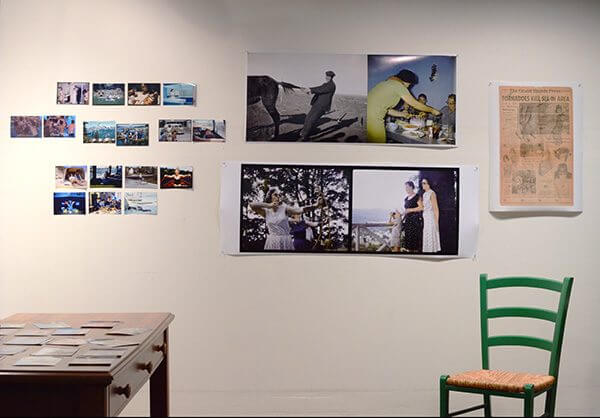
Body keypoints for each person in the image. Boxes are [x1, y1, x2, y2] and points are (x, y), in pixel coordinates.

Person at [367, 69, 441, 143]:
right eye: (410, 84)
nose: (408, 87)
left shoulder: (385, 83)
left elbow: (386, 109)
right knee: (380, 146)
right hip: (374, 119)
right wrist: (432, 110)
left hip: (366, 116)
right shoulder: (399, 85)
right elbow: (414, 103)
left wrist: (402, 114)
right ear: (407, 82)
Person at [249, 188, 323, 251]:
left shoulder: (284, 208)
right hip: (272, 241)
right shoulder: (266, 211)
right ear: (270, 197)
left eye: (279, 195)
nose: (278, 197)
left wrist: (315, 205)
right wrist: (269, 205)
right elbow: (252, 205)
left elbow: (299, 210)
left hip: (285, 240)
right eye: (275, 195)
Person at [300, 70, 337, 141]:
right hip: (316, 104)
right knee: (308, 118)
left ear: (331, 77)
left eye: (329, 76)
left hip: (322, 106)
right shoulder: (325, 84)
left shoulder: (331, 85)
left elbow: (320, 90)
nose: (327, 77)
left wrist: (310, 89)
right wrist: (308, 90)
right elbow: (318, 89)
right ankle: (303, 132)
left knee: (311, 120)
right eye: (326, 76)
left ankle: (304, 136)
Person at [401, 181, 423, 252]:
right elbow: (406, 210)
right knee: (409, 243)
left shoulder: (417, 196)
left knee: (415, 243)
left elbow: (421, 207)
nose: (406, 189)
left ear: (411, 187)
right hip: (408, 222)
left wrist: (410, 210)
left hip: (415, 221)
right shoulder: (406, 198)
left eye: (407, 187)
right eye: (405, 188)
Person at [421, 178, 441, 253]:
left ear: (429, 184)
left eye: (424, 183)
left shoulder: (432, 193)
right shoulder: (424, 194)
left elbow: (436, 208)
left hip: (430, 217)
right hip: (425, 218)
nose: (422, 184)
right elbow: (424, 207)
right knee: (426, 235)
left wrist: (436, 222)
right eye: (422, 183)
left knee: (431, 235)